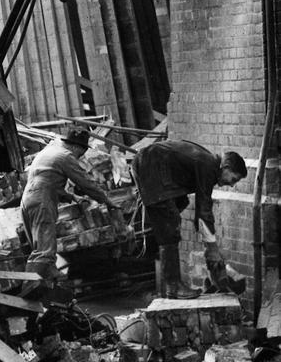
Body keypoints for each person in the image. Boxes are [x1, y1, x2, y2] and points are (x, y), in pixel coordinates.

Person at [131, 139, 247, 299]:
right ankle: (173, 286)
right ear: (226, 168)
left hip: (153, 167)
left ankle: (170, 282)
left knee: (179, 205)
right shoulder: (208, 166)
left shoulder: (210, 163)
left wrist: (209, 246)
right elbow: (204, 207)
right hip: (150, 167)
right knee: (170, 225)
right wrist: (212, 249)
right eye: (233, 179)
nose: (232, 185)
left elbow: (202, 209)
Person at [20, 127, 123, 282]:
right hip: (41, 201)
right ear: (75, 146)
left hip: (28, 200)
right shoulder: (65, 156)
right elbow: (85, 182)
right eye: (81, 153)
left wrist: (72, 197)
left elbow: (48, 182)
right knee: (44, 251)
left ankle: (38, 284)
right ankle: (34, 288)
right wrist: (107, 200)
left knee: (38, 249)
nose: (80, 156)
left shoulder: (48, 152)